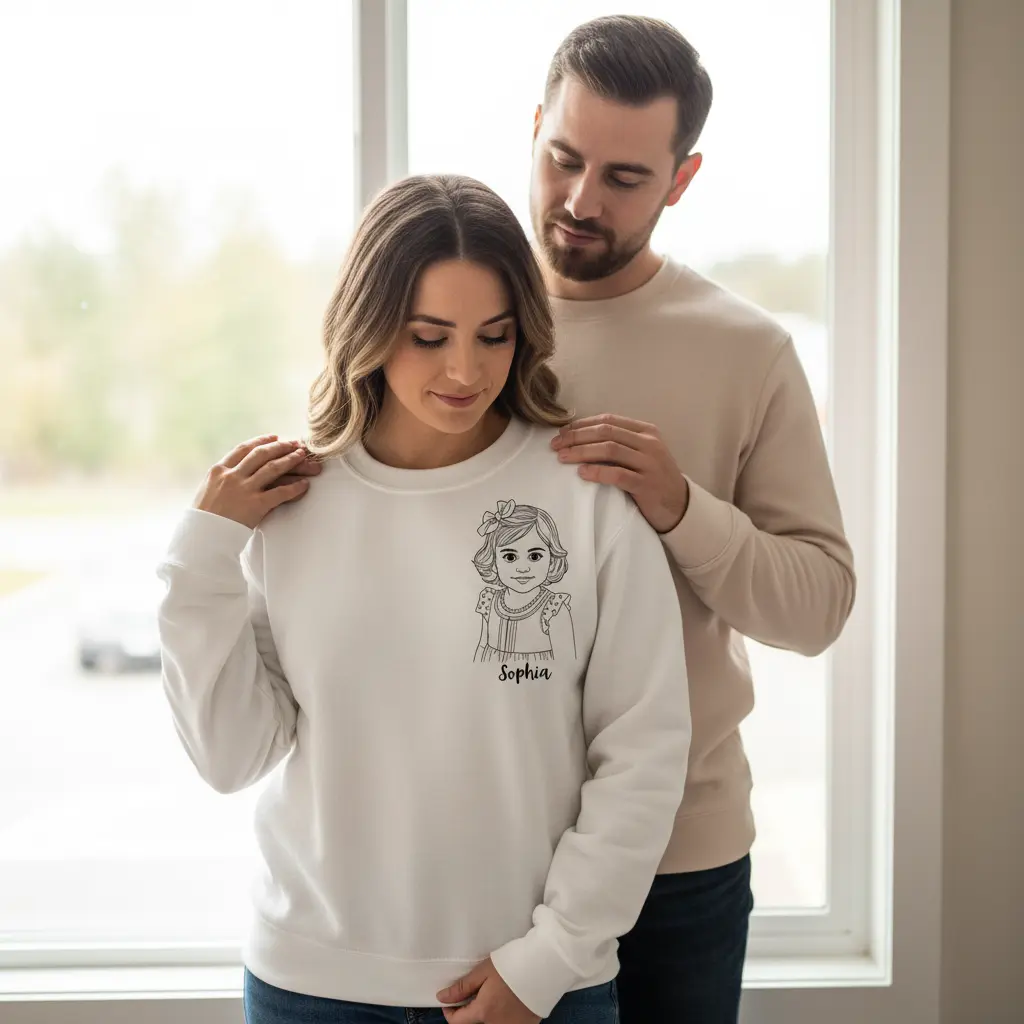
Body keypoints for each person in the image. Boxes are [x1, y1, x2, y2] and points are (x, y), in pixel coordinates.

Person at [155, 173, 691, 1024]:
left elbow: (644, 752)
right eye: (428, 336)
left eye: (494, 335)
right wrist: (201, 555)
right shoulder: (292, 505)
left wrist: (550, 958)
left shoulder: (585, 499)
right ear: (368, 326)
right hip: (313, 987)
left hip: (535, 986)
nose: (464, 370)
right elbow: (232, 756)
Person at [525, 15, 857, 1024]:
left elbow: (819, 607)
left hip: (680, 861)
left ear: (682, 179)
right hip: (495, 845)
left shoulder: (745, 350)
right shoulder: (456, 327)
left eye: (625, 177)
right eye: (563, 158)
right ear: (534, 127)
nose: (581, 200)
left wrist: (680, 507)